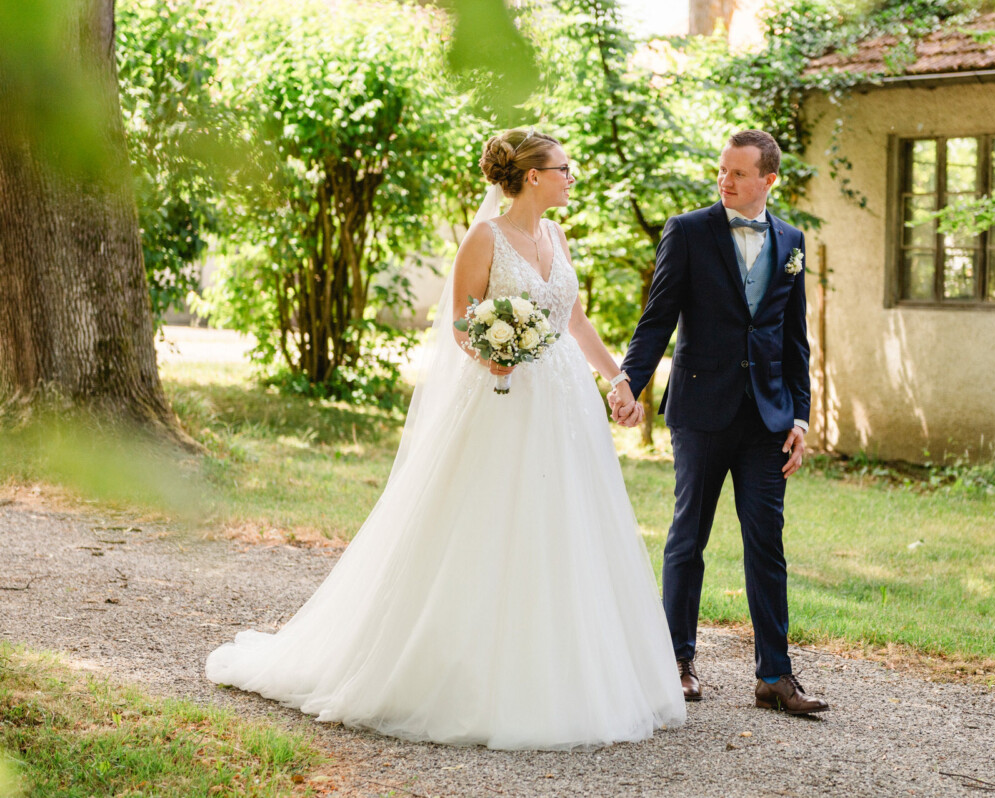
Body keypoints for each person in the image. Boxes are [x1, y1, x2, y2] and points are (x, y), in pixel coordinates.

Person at [206, 129, 686, 750]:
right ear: (533, 176)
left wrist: (618, 379)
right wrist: (492, 355)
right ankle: (461, 673)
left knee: (566, 522)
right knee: (486, 523)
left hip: (564, 401)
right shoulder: (484, 237)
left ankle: (565, 671)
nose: (571, 178)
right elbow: (460, 322)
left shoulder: (556, 235)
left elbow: (573, 319)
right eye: (564, 169)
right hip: (501, 398)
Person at [610, 129, 830, 716]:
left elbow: (793, 338)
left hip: (767, 418)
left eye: (738, 173)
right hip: (702, 411)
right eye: (722, 170)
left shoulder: (791, 240)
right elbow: (657, 319)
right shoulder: (687, 231)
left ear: (768, 179)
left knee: (767, 544)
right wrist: (629, 381)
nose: (724, 180)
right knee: (689, 537)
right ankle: (677, 663)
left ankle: (775, 676)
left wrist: (800, 417)